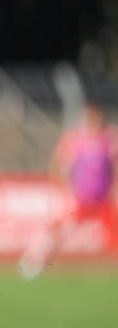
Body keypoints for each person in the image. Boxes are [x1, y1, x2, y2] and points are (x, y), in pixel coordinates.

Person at [19, 102, 118, 279]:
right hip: (81, 198)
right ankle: (36, 258)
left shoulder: (108, 140)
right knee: (62, 229)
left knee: (114, 232)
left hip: (103, 198)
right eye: (90, 119)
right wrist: (62, 187)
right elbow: (57, 163)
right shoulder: (75, 140)